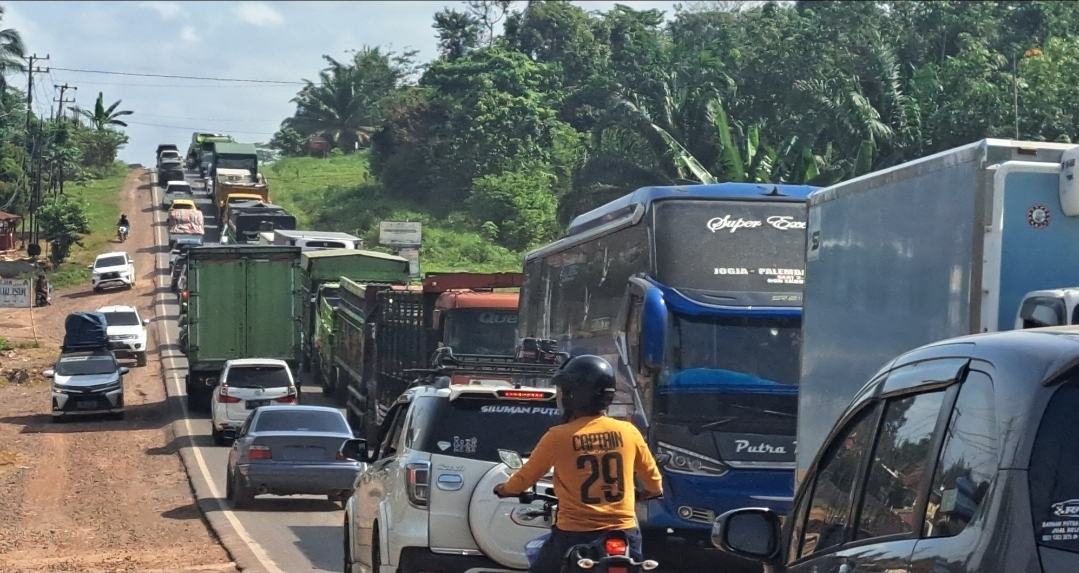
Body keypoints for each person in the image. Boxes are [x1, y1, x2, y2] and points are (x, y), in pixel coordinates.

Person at [493, 355, 664, 573]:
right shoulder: (628, 432)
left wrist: (505, 489)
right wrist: (646, 493)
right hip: (625, 532)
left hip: (575, 533)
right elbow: (654, 484)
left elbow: (526, 477)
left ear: (574, 395)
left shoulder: (558, 436)